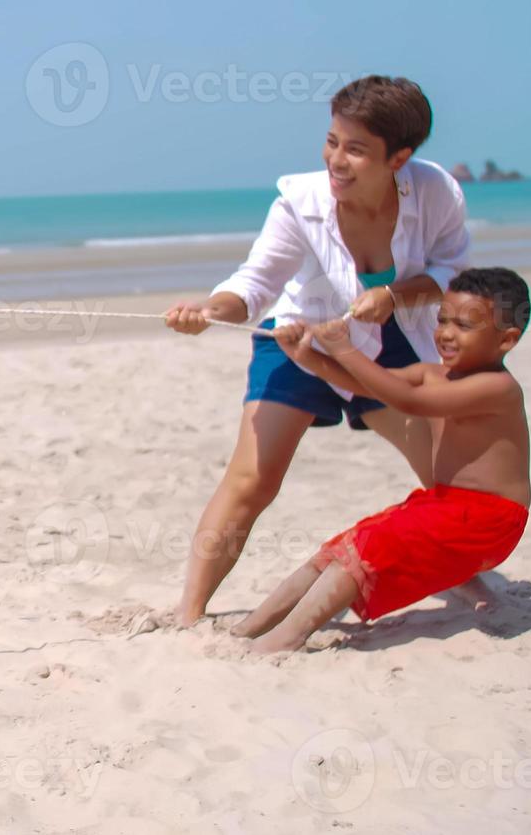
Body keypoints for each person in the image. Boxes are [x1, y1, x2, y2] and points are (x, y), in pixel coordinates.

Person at [163, 76, 472, 626]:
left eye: (356, 149)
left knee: (443, 474)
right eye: (332, 141)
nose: (337, 160)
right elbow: (255, 284)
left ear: (399, 157)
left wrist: (394, 295)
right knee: (253, 479)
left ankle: (468, 577)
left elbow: (450, 270)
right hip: (297, 337)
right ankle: (189, 613)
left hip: (394, 340)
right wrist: (210, 312)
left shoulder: (437, 192)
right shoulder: (298, 202)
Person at [233, 268, 531, 652]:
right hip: (445, 504)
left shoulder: (498, 388)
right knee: (340, 549)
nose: (445, 333)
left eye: (464, 325)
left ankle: (285, 638)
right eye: (442, 319)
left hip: (491, 518)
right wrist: (304, 354)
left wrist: (345, 348)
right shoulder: (431, 373)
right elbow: (364, 385)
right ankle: (249, 628)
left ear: (507, 339)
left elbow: (408, 402)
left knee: (367, 553)